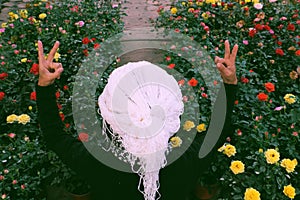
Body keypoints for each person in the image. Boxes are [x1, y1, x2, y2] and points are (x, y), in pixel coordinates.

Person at [36, 40, 238, 200]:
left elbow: (55, 137)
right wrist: (229, 84)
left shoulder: (99, 164)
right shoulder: (187, 162)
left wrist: (44, 86)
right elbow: (217, 132)